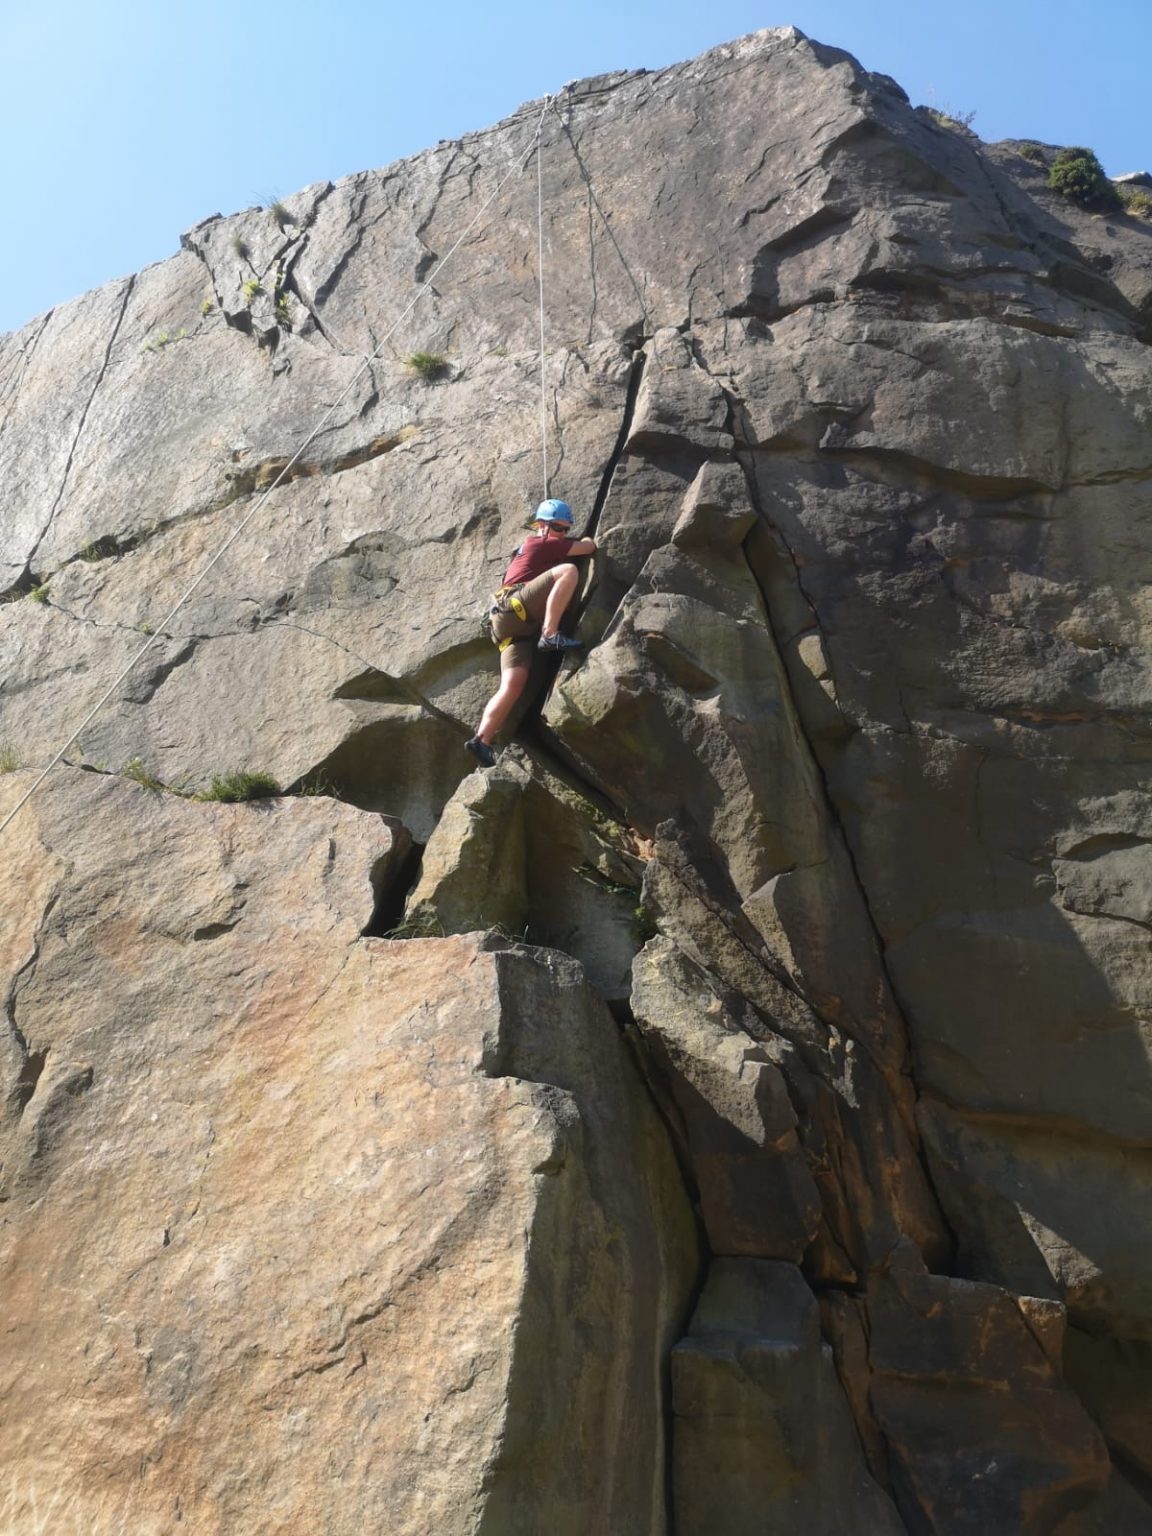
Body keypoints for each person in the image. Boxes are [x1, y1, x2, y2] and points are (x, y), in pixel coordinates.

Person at [465, 499, 596, 767]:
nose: (562, 534)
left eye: (565, 529)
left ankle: (481, 740)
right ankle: (550, 632)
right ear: (542, 526)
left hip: (510, 627)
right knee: (568, 571)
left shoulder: (532, 548)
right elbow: (588, 548)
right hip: (514, 607)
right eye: (558, 527)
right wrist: (584, 538)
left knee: (513, 684)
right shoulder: (541, 542)